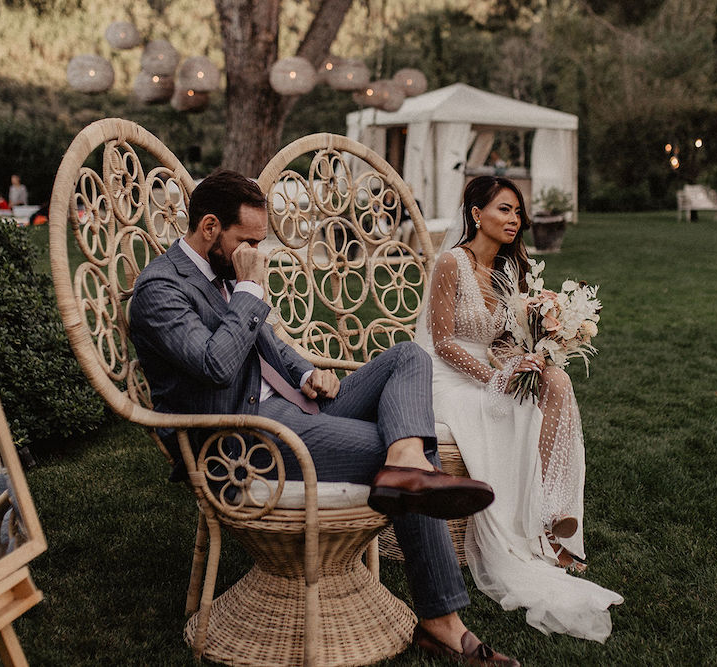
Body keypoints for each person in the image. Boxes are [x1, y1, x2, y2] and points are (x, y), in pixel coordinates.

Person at [128, 170, 519, 666]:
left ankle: (406, 461)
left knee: (408, 357)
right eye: (249, 240)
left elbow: (267, 344)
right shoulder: (160, 289)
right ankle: (443, 621)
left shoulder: (226, 272)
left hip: (294, 405)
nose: (257, 252)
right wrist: (248, 289)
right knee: (404, 457)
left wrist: (309, 372)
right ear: (210, 227)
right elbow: (216, 364)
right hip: (243, 439)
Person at [417, 175, 623, 643]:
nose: (514, 219)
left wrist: (527, 360)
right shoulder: (451, 263)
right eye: (503, 210)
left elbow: (503, 341)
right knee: (517, 410)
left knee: (554, 383)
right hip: (446, 378)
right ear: (476, 214)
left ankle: (551, 517)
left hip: (490, 370)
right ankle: (535, 530)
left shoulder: (511, 270)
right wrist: (495, 377)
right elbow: (443, 342)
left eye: (516, 211)